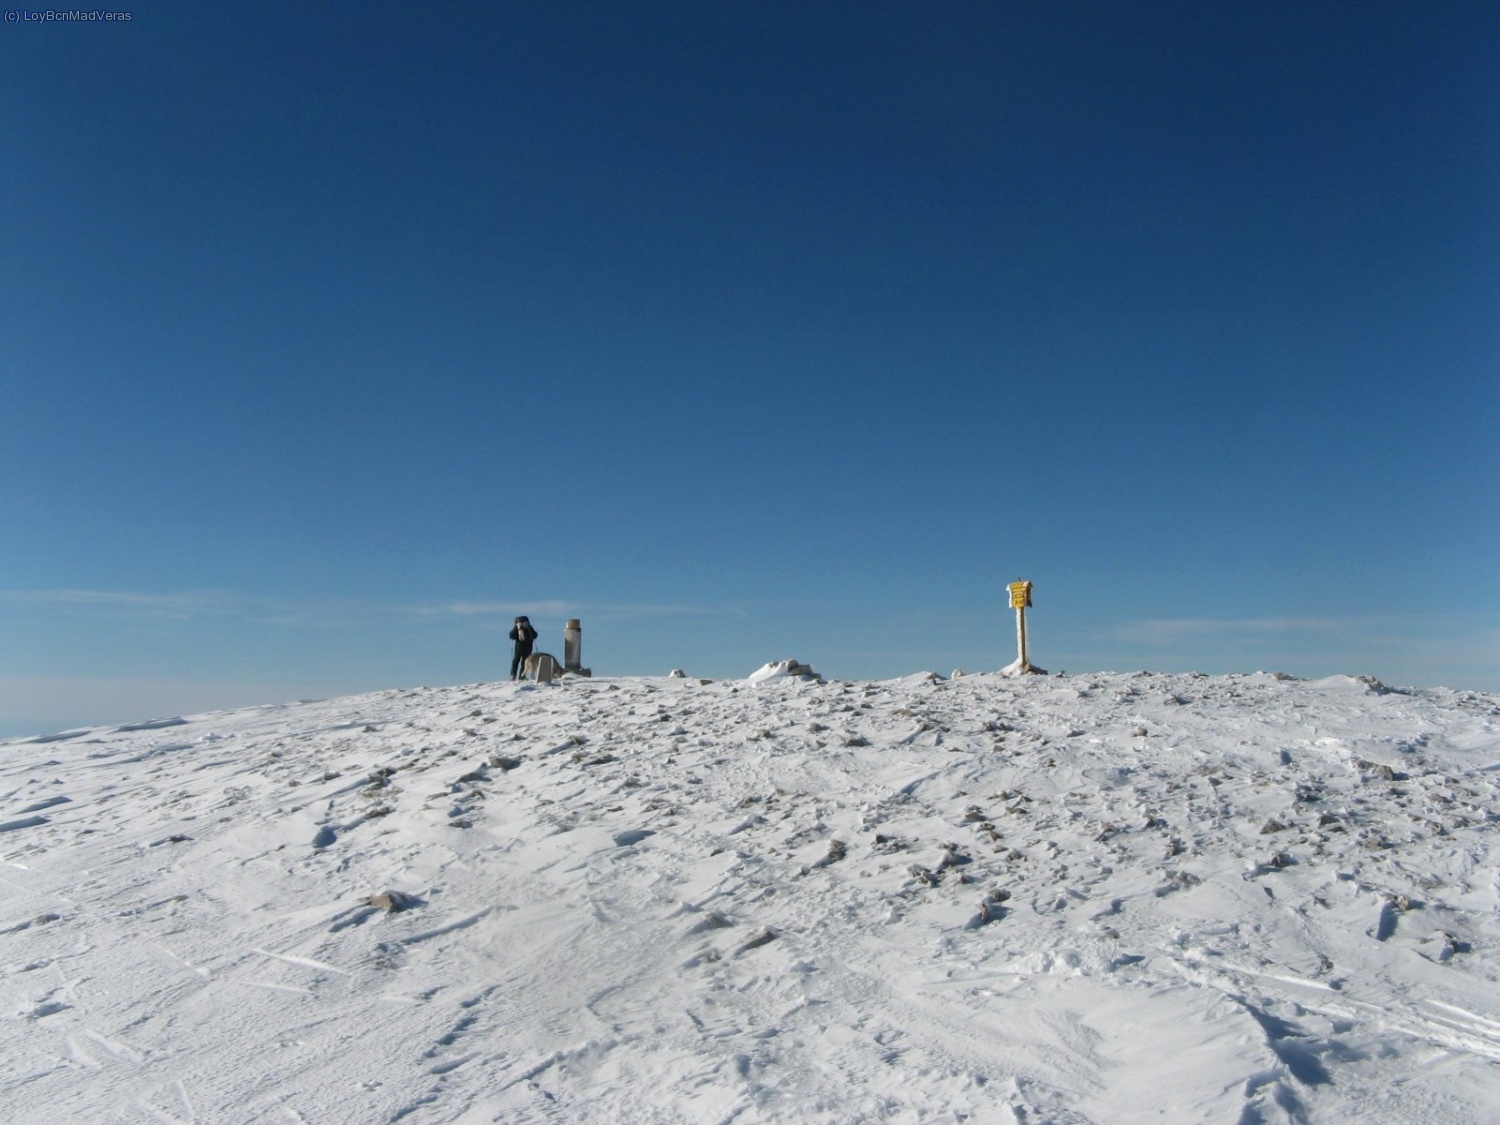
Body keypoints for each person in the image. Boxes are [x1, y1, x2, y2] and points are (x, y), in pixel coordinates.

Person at [509, 615, 538, 680]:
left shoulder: (518, 627)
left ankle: (513, 675)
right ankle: (522, 676)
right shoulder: (529, 627)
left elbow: (511, 636)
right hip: (528, 647)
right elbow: (535, 635)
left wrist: (516, 628)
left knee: (516, 661)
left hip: (519, 647)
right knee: (524, 662)